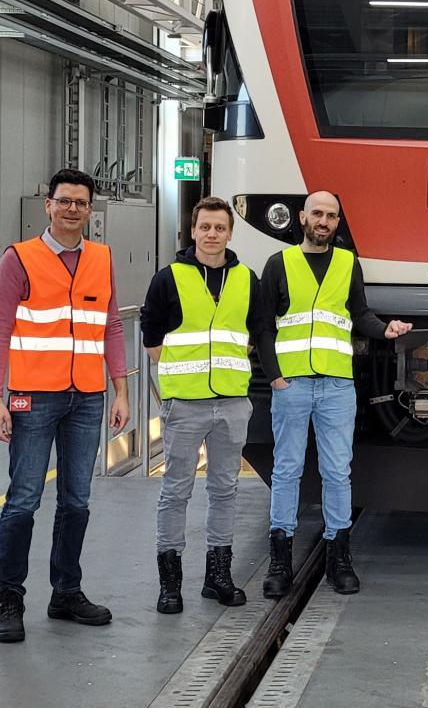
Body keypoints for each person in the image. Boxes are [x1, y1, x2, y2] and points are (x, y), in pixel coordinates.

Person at [0, 169, 130, 643]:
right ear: (48, 205)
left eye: (81, 203)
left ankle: (66, 591)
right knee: (23, 499)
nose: (72, 209)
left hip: (87, 397)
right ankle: (10, 597)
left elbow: (110, 326)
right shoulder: (19, 258)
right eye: (64, 201)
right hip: (33, 396)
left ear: (91, 210)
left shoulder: (101, 258)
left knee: (77, 500)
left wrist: (121, 389)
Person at [258, 191, 411, 597]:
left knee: (337, 472)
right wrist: (274, 377)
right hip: (290, 384)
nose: (323, 221)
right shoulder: (279, 264)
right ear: (302, 217)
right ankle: (279, 562)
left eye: (331, 216)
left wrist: (385, 330)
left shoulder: (347, 263)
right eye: (317, 214)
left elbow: (359, 314)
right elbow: (263, 327)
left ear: (337, 222)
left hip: (337, 385)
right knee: (287, 470)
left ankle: (338, 558)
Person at [140, 196, 267, 614]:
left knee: (225, 490)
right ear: (192, 231)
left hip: (232, 403)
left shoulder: (247, 279)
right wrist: (182, 372)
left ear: (230, 233)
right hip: (185, 404)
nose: (212, 234)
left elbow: (255, 330)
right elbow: (152, 336)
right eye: (205, 227)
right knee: (175, 491)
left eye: (220, 228)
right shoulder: (168, 278)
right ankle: (170, 583)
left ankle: (218, 576)